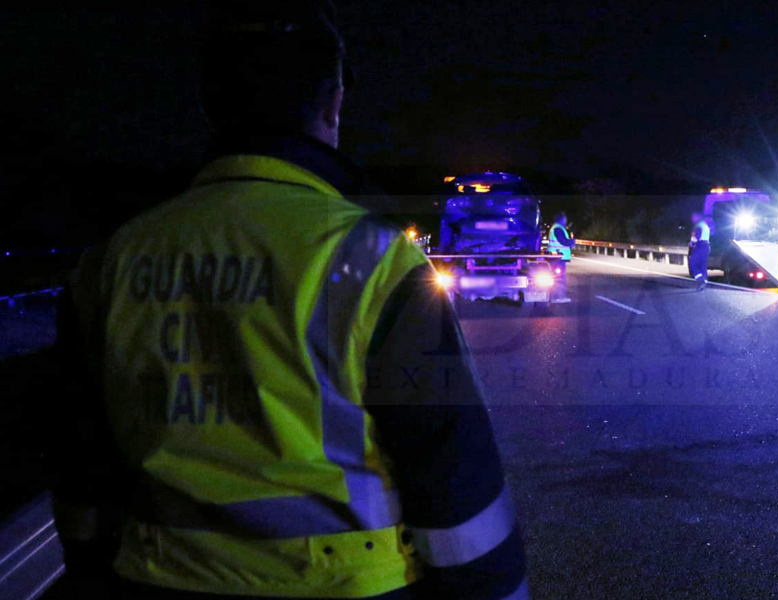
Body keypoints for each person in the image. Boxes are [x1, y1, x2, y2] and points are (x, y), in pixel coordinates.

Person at [48, 4, 528, 599]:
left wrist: (91, 571)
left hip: (154, 577)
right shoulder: (372, 259)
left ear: (211, 107)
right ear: (333, 104)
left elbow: (78, 465)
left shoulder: (111, 261)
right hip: (347, 584)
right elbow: (453, 479)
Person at [547, 212, 575, 303]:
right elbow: (563, 241)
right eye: (565, 219)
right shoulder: (558, 228)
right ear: (561, 219)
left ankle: (555, 296)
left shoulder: (556, 228)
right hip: (558, 257)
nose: (566, 221)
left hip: (557, 257)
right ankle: (558, 297)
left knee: (558, 277)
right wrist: (571, 242)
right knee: (559, 278)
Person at [688, 212, 711, 291]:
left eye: (694, 217)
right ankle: (704, 281)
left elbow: (697, 237)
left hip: (700, 246)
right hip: (707, 246)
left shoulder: (699, 226)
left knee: (692, 263)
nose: (692, 219)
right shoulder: (705, 226)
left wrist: (692, 242)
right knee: (702, 265)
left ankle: (701, 281)